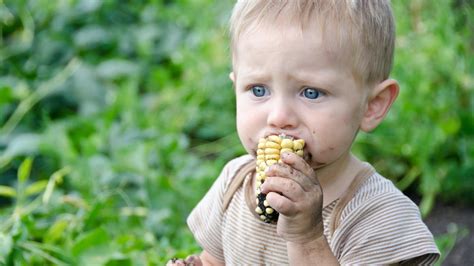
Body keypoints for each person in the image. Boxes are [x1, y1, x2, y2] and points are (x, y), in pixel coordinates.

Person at [169, 0, 440, 265]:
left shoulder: (380, 217)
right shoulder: (235, 183)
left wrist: (308, 239)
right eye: (258, 90)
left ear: (372, 105)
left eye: (311, 93)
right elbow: (216, 260)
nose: (278, 117)